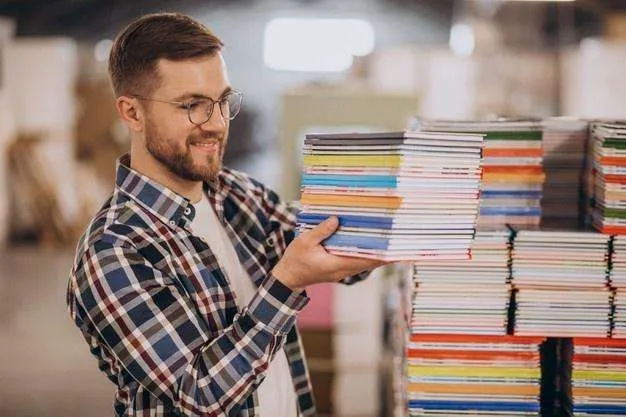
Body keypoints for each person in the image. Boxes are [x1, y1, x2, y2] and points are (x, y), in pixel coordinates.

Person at [66, 12, 387, 417]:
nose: (216, 124)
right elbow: (201, 395)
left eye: (221, 101)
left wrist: (402, 223)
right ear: (132, 113)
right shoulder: (113, 251)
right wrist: (286, 283)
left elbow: (332, 245)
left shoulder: (237, 195)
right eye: (192, 106)